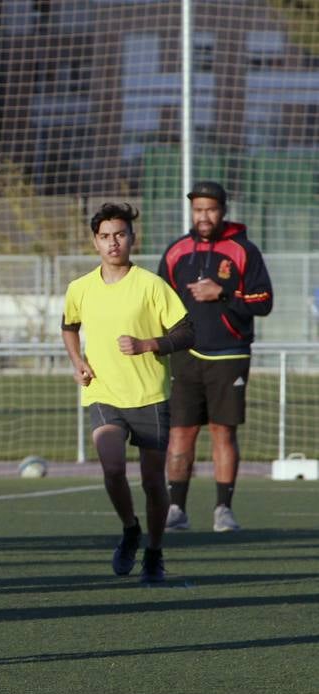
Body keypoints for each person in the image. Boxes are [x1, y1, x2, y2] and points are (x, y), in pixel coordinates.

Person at [62, 203, 193, 584]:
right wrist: (77, 361)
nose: (113, 242)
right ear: (95, 242)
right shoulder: (79, 288)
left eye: (120, 234)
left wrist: (148, 343)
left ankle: (153, 551)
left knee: (153, 483)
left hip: (150, 397)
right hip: (103, 394)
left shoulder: (151, 285)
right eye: (105, 236)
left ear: (132, 239)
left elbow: (187, 333)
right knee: (113, 468)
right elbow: (69, 326)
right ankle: (129, 529)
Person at [157, 180, 273, 533]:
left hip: (230, 355)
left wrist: (222, 293)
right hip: (185, 357)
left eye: (210, 209)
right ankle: (176, 509)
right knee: (180, 434)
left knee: (224, 432)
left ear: (223, 210)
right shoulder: (176, 251)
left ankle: (224, 509)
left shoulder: (244, 251)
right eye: (197, 210)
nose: (203, 216)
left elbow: (264, 302)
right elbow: (159, 305)